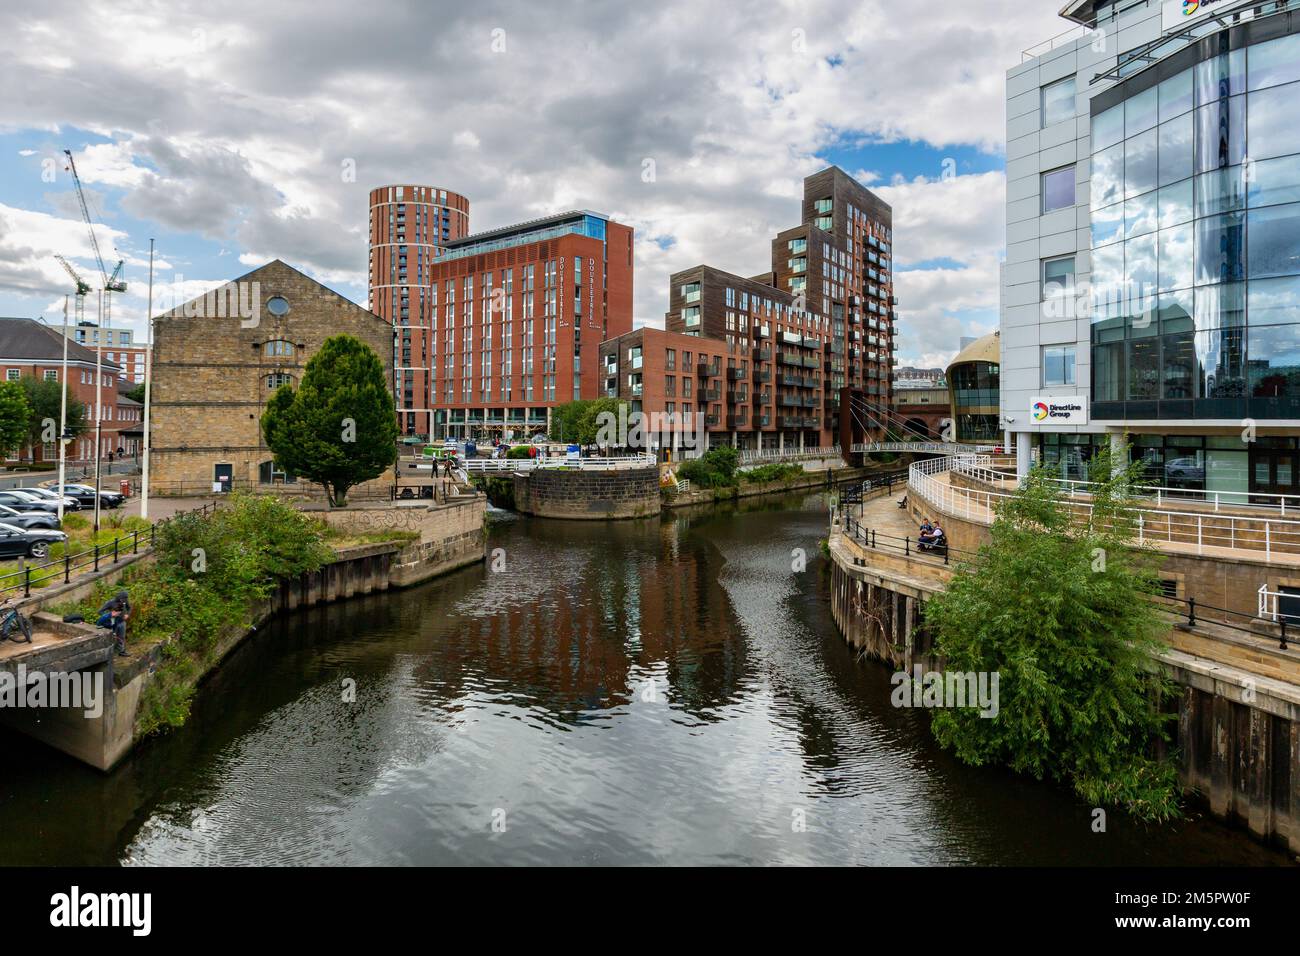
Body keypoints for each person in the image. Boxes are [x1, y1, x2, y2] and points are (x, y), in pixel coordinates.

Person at [97, 590, 130, 657]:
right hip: (113, 622)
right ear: (118, 597)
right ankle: (110, 653)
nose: (123, 601)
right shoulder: (110, 602)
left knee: (121, 637)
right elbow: (100, 611)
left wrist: (127, 614)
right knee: (112, 637)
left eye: (125, 599)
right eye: (122, 599)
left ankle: (121, 651)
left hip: (122, 622)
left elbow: (129, 608)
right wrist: (110, 615)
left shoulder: (125, 601)